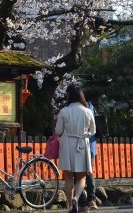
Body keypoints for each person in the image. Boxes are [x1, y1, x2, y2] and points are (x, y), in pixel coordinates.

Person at [55, 85, 96, 213]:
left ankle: (69, 205)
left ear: (70, 97)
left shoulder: (64, 111)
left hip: (67, 145)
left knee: (68, 177)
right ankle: (76, 198)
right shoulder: (88, 111)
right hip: (82, 145)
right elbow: (93, 131)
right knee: (81, 177)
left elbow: (58, 131)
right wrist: (85, 134)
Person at [78, 94, 98, 212]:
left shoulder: (73, 108)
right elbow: (93, 127)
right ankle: (92, 199)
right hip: (91, 143)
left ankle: (82, 200)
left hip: (79, 145)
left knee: (78, 173)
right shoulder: (90, 106)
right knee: (89, 172)